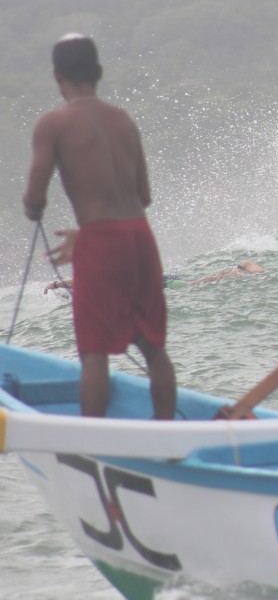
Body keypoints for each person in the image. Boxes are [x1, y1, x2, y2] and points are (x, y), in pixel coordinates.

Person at [22, 34, 177, 420]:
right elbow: (142, 195)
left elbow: (34, 201)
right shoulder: (124, 120)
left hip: (102, 240)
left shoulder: (53, 124)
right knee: (154, 348)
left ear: (58, 77)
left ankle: (93, 436)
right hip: (140, 235)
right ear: (99, 73)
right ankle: (167, 437)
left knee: (93, 354)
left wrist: (84, 230)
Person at [44, 260, 264, 293]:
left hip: (163, 282)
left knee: (196, 284)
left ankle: (241, 269)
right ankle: (240, 269)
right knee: (199, 281)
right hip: (162, 278)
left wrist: (55, 284)